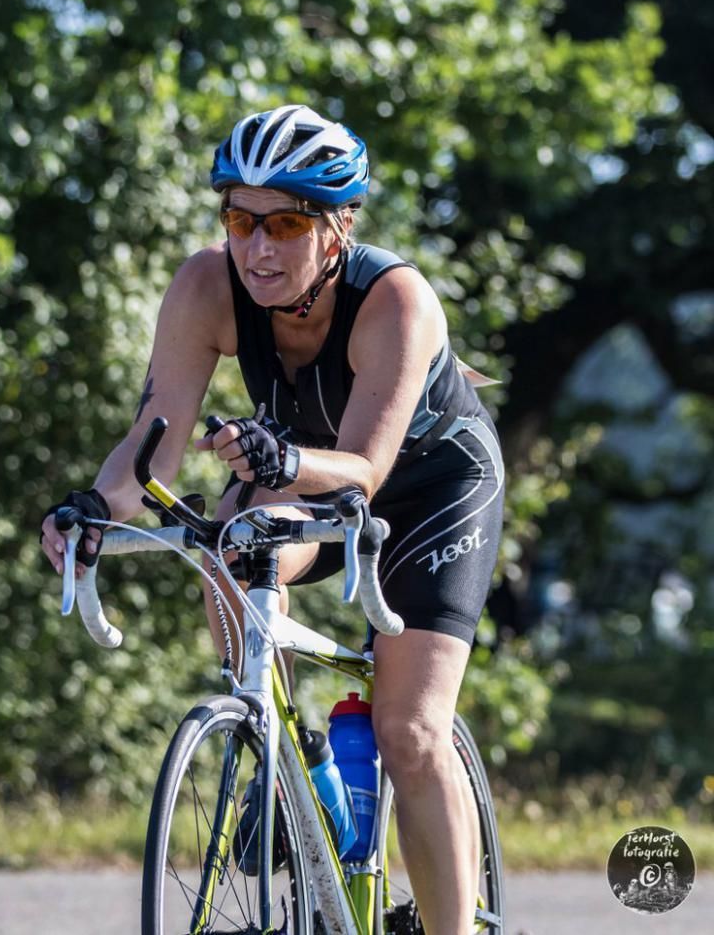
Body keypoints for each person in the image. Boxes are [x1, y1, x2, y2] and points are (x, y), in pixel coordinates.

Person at [40, 103, 504, 935]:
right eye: (240, 220)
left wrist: (286, 462)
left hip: (430, 488)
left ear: (338, 228)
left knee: (409, 726)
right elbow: (151, 450)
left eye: (286, 222)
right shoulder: (205, 284)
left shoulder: (395, 299)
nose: (257, 247)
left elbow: (363, 469)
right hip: (304, 470)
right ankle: (300, 766)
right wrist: (92, 508)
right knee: (227, 546)